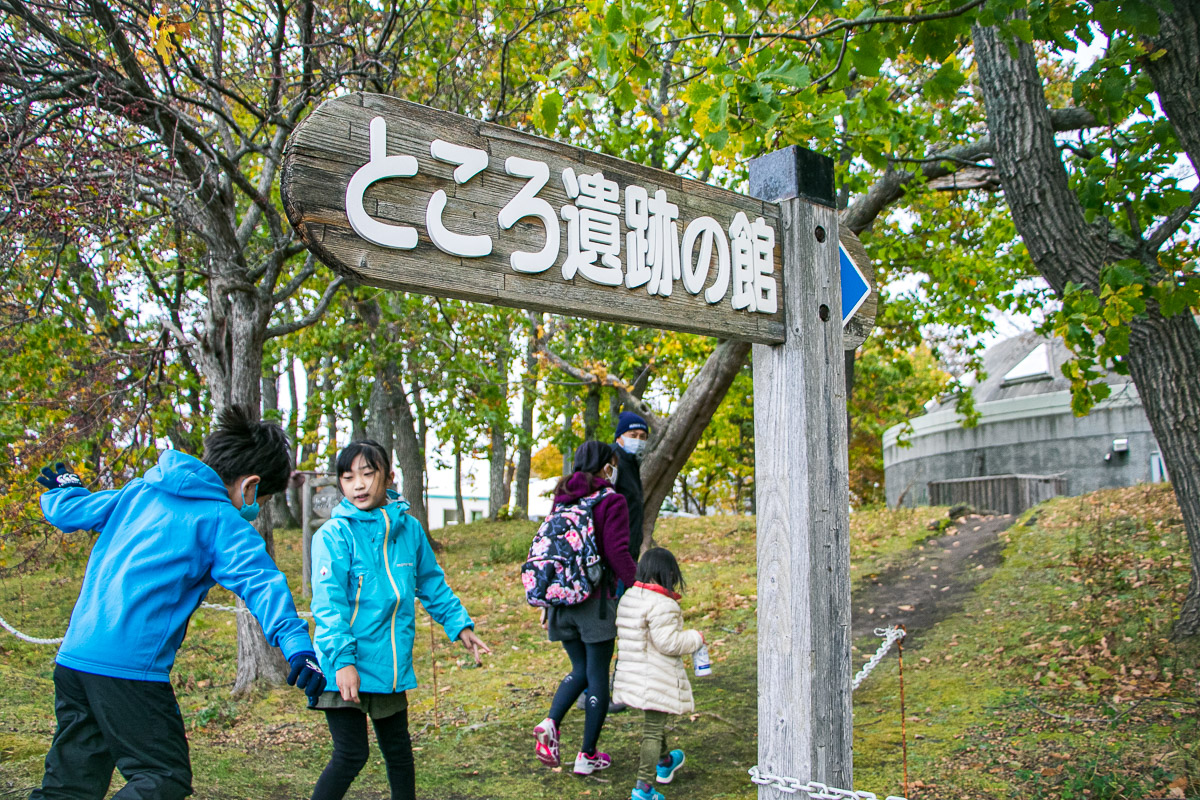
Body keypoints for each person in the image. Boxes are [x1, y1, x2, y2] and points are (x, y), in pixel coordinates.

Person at [31, 405, 326, 800]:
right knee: (162, 777)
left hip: (74, 659)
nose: (255, 508)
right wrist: (298, 648)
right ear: (250, 486)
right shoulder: (221, 520)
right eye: (262, 498)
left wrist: (62, 488)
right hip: (129, 669)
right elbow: (262, 584)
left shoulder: (140, 492)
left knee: (71, 783)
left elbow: (70, 511)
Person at [309, 439, 490, 800]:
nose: (359, 485)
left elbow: (431, 584)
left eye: (367, 473)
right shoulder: (333, 535)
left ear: (389, 476)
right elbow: (328, 606)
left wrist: (460, 626)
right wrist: (342, 661)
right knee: (351, 754)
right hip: (345, 665)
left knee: (400, 755)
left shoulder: (410, 530)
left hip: (389, 666)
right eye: (348, 477)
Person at [533, 441, 637, 776]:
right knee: (596, 675)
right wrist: (641, 587)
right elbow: (617, 552)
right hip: (596, 602)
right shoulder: (612, 501)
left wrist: (548, 601)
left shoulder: (563, 498)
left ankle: (551, 722)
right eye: (613, 463)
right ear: (607, 465)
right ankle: (587, 754)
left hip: (562, 602)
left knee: (580, 669)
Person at [611, 548, 704, 800]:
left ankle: (664, 761)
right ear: (668, 573)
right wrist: (696, 638)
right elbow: (669, 643)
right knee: (652, 730)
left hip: (633, 675)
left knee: (654, 721)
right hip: (655, 677)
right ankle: (643, 789)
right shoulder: (662, 604)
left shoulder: (630, 596)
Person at [613, 411, 650, 560]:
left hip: (630, 548)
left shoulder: (632, 462)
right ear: (619, 438)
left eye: (643, 436)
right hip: (615, 550)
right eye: (633, 435)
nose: (638, 440)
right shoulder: (612, 460)